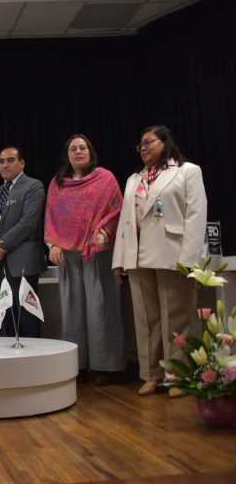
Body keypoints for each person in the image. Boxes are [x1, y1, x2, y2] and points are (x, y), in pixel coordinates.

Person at [112, 125, 207, 398]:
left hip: (172, 254)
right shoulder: (134, 178)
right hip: (137, 256)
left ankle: (178, 374)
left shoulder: (187, 171)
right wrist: (119, 258)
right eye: (140, 145)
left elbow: (196, 215)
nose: (143, 148)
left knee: (177, 318)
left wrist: (188, 259)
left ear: (165, 142)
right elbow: (125, 221)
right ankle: (151, 374)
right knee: (146, 321)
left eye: (149, 142)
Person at [44, 135, 124, 384]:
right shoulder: (58, 183)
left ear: (90, 152)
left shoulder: (105, 178)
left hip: (98, 252)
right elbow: (50, 215)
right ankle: (76, 365)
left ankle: (104, 366)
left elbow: (117, 210)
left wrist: (105, 232)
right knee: (72, 310)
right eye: (73, 149)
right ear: (67, 155)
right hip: (68, 254)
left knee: (101, 307)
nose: (78, 152)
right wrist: (53, 243)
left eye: (82, 148)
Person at [0, 146, 47, 338]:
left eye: (10, 160)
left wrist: (1, 246)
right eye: (1, 161)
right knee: (9, 315)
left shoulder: (33, 186)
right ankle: (13, 354)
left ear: (22, 163)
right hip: (1, 263)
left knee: (27, 315)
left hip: (24, 261)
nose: (5, 165)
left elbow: (29, 222)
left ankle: (33, 356)